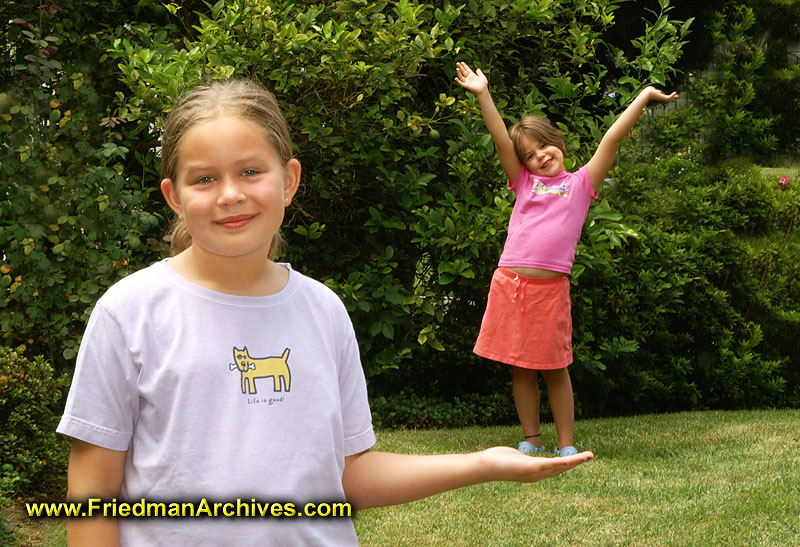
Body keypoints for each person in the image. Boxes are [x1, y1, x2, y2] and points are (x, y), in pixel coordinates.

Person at [57, 78, 593, 546]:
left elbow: (353, 474)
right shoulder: (127, 312)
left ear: (288, 179)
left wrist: (484, 464)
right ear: (173, 196)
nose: (229, 194)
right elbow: (92, 492)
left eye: (249, 171)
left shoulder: (323, 309)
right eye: (204, 178)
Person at [455, 61, 677, 457]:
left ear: (558, 142)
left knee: (555, 369)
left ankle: (567, 444)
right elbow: (501, 141)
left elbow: (611, 137)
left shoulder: (580, 184)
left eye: (545, 146)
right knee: (519, 366)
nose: (540, 156)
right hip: (510, 285)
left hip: (549, 290)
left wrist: (643, 96)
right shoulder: (524, 180)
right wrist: (483, 93)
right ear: (523, 165)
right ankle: (531, 439)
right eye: (531, 154)